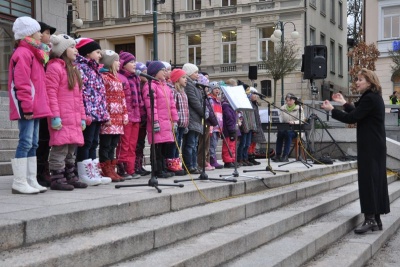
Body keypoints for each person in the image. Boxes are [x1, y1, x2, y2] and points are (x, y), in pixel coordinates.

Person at [321, 68, 390, 234]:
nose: (357, 82)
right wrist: (344, 103)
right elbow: (358, 114)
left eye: (360, 79)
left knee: (368, 180)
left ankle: (370, 219)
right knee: (375, 180)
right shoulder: (373, 97)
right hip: (375, 145)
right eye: (357, 79)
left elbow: (352, 118)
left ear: (370, 81)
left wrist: (332, 110)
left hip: (371, 146)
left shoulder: (370, 98)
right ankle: (376, 220)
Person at [8, 16, 52, 194]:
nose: (41, 34)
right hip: (28, 106)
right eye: (38, 31)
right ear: (28, 33)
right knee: (25, 142)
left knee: (33, 143)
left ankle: (30, 179)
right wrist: (27, 107)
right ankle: (19, 181)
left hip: (36, 106)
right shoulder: (23, 53)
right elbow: (22, 83)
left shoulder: (35, 53)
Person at [45, 34, 88, 191]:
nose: (76, 50)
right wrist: (55, 116)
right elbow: (51, 94)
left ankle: (70, 176)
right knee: (60, 149)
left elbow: (79, 98)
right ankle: (57, 178)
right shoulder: (55, 68)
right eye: (72, 47)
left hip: (74, 117)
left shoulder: (73, 70)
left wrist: (82, 117)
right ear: (62, 50)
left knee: (71, 150)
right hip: (62, 117)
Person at [75, 38, 111, 185]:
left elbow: (101, 95)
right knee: (86, 142)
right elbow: (82, 92)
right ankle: (84, 172)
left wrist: (105, 114)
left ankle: (93, 171)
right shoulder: (81, 67)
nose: (100, 55)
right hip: (88, 113)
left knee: (94, 142)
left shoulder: (95, 69)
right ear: (88, 53)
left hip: (97, 113)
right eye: (97, 52)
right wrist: (85, 113)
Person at [142, 61, 179, 178]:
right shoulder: (150, 86)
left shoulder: (165, 87)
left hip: (167, 123)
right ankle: (157, 169)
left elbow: (172, 105)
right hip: (158, 122)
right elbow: (151, 106)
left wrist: (175, 120)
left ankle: (163, 168)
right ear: (155, 72)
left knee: (164, 147)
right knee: (157, 147)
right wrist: (155, 121)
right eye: (162, 70)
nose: (165, 72)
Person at [99, 50, 128, 182]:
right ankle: (106, 169)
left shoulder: (117, 78)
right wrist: (106, 116)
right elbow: (102, 98)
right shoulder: (104, 77)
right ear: (110, 62)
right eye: (116, 60)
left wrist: (125, 114)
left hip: (118, 118)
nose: (119, 63)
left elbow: (122, 97)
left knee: (113, 145)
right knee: (106, 144)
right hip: (109, 118)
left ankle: (112, 168)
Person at [115, 51, 142, 179]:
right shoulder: (121, 77)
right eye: (131, 62)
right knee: (124, 143)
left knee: (132, 144)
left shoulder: (135, 78)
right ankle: (122, 167)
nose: (134, 64)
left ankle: (130, 169)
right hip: (126, 116)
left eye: (134, 61)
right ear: (123, 64)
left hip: (136, 115)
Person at [36, 21, 56, 187]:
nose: (49, 36)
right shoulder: (36, 53)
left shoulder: (48, 53)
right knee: (39, 139)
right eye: (47, 32)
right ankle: (38, 170)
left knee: (45, 138)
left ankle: (43, 168)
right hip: (37, 100)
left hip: (47, 101)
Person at [165, 68, 189, 175]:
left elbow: (186, 109)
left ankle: (176, 163)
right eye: (183, 77)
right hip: (176, 123)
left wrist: (186, 123)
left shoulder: (183, 92)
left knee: (178, 143)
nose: (186, 79)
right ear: (177, 79)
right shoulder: (174, 91)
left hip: (183, 123)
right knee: (174, 144)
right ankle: (172, 163)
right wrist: (174, 121)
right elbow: (173, 107)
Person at [182, 63, 203, 174]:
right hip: (191, 118)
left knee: (194, 144)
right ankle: (189, 165)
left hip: (196, 119)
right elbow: (194, 102)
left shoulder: (195, 85)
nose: (198, 75)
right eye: (195, 72)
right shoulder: (189, 85)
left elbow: (201, 101)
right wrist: (203, 112)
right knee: (190, 144)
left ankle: (194, 165)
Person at [272, 93, 304, 162]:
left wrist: (294, 122)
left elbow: (301, 120)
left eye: (290, 100)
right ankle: (278, 155)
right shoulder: (282, 108)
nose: (288, 102)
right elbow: (281, 119)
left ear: (294, 101)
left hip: (295, 130)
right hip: (285, 128)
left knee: (288, 134)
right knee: (280, 133)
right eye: (287, 101)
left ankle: (285, 155)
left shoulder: (299, 108)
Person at [134, 62, 151, 176]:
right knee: (136, 144)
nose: (146, 74)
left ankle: (140, 164)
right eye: (144, 72)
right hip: (138, 119)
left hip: (144, 119)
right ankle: (135, 165)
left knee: (141, 144)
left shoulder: (146, 86)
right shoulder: (137, 86)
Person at [208, 82, 224, 169]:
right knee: (212, 144)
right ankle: (212, 159)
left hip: (218, 126)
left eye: (218, 88)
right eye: (215, 88)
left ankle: (213, 159)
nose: (217, 90)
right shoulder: (210, 99)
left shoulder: (218, 101)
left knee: (215, 143)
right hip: (213, 126)